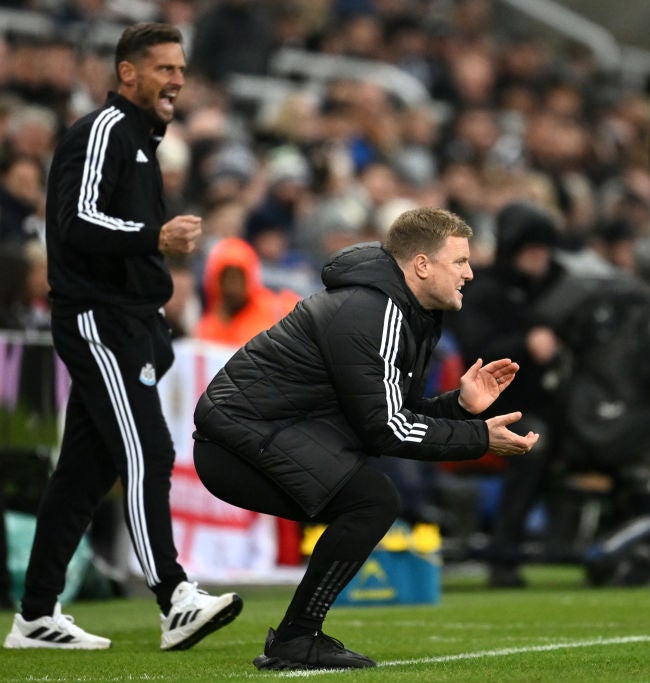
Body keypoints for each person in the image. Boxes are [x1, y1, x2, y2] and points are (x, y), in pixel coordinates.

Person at [191, 207, 539, 670]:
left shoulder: (403, 311)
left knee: (370, 498)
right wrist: (477, 436)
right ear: (421, 265)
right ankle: (297, 638)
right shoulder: (373, 310)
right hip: (236, 441)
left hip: (265, 433)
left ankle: (298, 636)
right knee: (371, 499)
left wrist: (458, 406)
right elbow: (385, 429)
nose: (469, 273)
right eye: (459, 262)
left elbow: (388, 416)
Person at [4, 23, 242, 651]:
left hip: (130, 321)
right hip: (99, 318)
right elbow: (75, 223)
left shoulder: (139, 139)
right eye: (164, 68)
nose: (177, 80)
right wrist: (154, 237)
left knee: (83, 474)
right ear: (127, 73)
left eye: (181, 69)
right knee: (147, 451)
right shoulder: (103, 131)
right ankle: (174, 597)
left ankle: (34, 615)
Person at [446, 200, 568, 588]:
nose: (539, 257)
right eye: (531, 249)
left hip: (542, 403)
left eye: (544, 249)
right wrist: (525, 343)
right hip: (489, 406)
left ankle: (568, 541)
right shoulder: (482, 289)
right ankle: (504, 551)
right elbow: (475, 348)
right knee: (536, 442)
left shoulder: (554, 287)